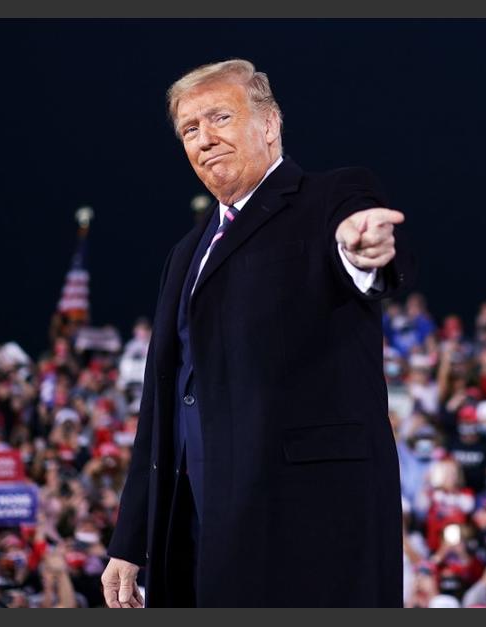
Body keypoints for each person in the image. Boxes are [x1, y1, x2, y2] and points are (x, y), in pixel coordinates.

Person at [101, 58, 414, 607]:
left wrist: (362, 250)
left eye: (219, 117)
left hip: (307, 521)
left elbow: (359, 240)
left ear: (269, 125)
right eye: (190, 130)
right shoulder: (185, 253)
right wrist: (130, 541)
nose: (204, 138)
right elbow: (162, 405)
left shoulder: (328, 196)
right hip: (197, 527)